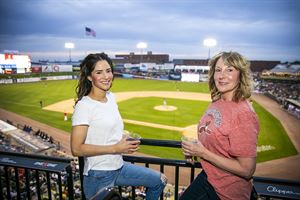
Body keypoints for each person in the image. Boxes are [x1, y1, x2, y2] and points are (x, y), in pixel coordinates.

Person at [71, 53, 167, 200]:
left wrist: (122, 138)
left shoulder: (111, 97)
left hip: (118, 165)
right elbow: (76, 148)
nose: (106, 76)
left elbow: (107, 130)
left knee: (159, 180)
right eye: (99, 72)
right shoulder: (84, 106)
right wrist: (115, 148)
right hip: (98, 174)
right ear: (89, 77)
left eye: (108, 71)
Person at [180, 51, 259, 200]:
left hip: (226, 191)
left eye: (229, 70)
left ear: (241, 74)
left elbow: (247, 169)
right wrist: (195, 148)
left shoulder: (243, 114)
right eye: (218, 70)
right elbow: (212, 134)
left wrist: (203, 153)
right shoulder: (217, 101)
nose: (221, 75)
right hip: (209, 176)